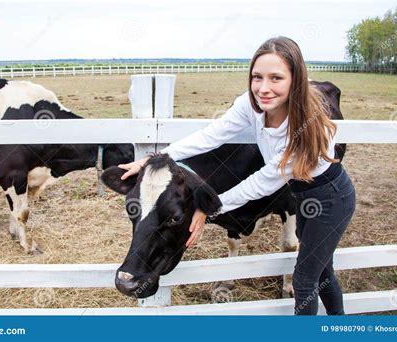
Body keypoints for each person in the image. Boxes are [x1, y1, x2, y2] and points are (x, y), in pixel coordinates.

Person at [118, 37, 356, 315]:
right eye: (257, 77)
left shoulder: (303, 125)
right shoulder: (251, 104)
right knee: (323, 272)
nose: (263, 88)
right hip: (303, 196)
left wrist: (208, 208)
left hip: (330, 198)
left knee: (304, 280)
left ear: (296, 79)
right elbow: (212, 135)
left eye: (276, 78)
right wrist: (158, 158)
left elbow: (261, 183)